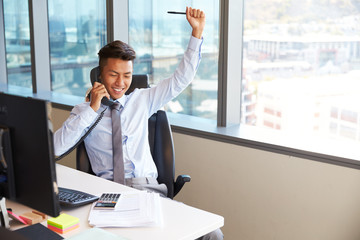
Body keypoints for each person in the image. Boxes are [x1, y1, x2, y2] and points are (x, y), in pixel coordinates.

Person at [54, 7, 223, 240]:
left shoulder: (142, 100)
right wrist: (91, 109)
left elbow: (180, 79)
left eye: (127, 75)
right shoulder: (85, 112)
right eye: (113, 74)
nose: (121, 82)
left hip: (147, 192)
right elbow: (55, 149)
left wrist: (197, 33)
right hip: (107, 195)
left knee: (212, 233)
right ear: (100, 76)